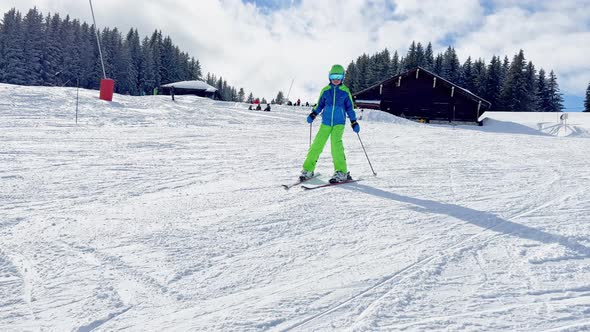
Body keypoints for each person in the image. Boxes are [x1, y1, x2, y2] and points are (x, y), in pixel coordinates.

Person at [300, 64, 359, 183]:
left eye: (339, 76)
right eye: (333, 76)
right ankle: (308, 169)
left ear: (343, 77)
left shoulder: (345, 92)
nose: (336, 79)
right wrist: (313, 114)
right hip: (326, 122)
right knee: (317, 144)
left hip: (339, 123)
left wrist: (353, 121)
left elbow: (350, 109)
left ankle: (341, 171)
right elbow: (320, 105)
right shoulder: (325, 91)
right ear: (329, 77)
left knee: (335, 145)